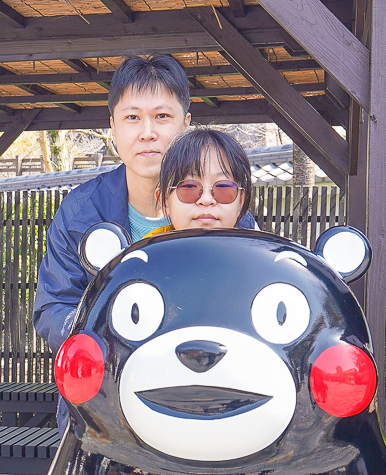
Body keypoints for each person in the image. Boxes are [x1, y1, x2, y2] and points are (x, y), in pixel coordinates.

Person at [33, 54, 256, 428]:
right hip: (104, 405)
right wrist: (104, 334)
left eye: (162, 116)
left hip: (205, 401)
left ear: (186, 123)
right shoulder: (80, 211)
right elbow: (53, 306)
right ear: (113, 127)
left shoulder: (221, 210)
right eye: (132, 117)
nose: (147, 132)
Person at [149, 127, 255, 235]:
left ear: (240, 202)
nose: (206, 199)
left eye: (223, 187)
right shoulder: (146, 251)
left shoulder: (258, 250)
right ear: (165, 201)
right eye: (189, 187)